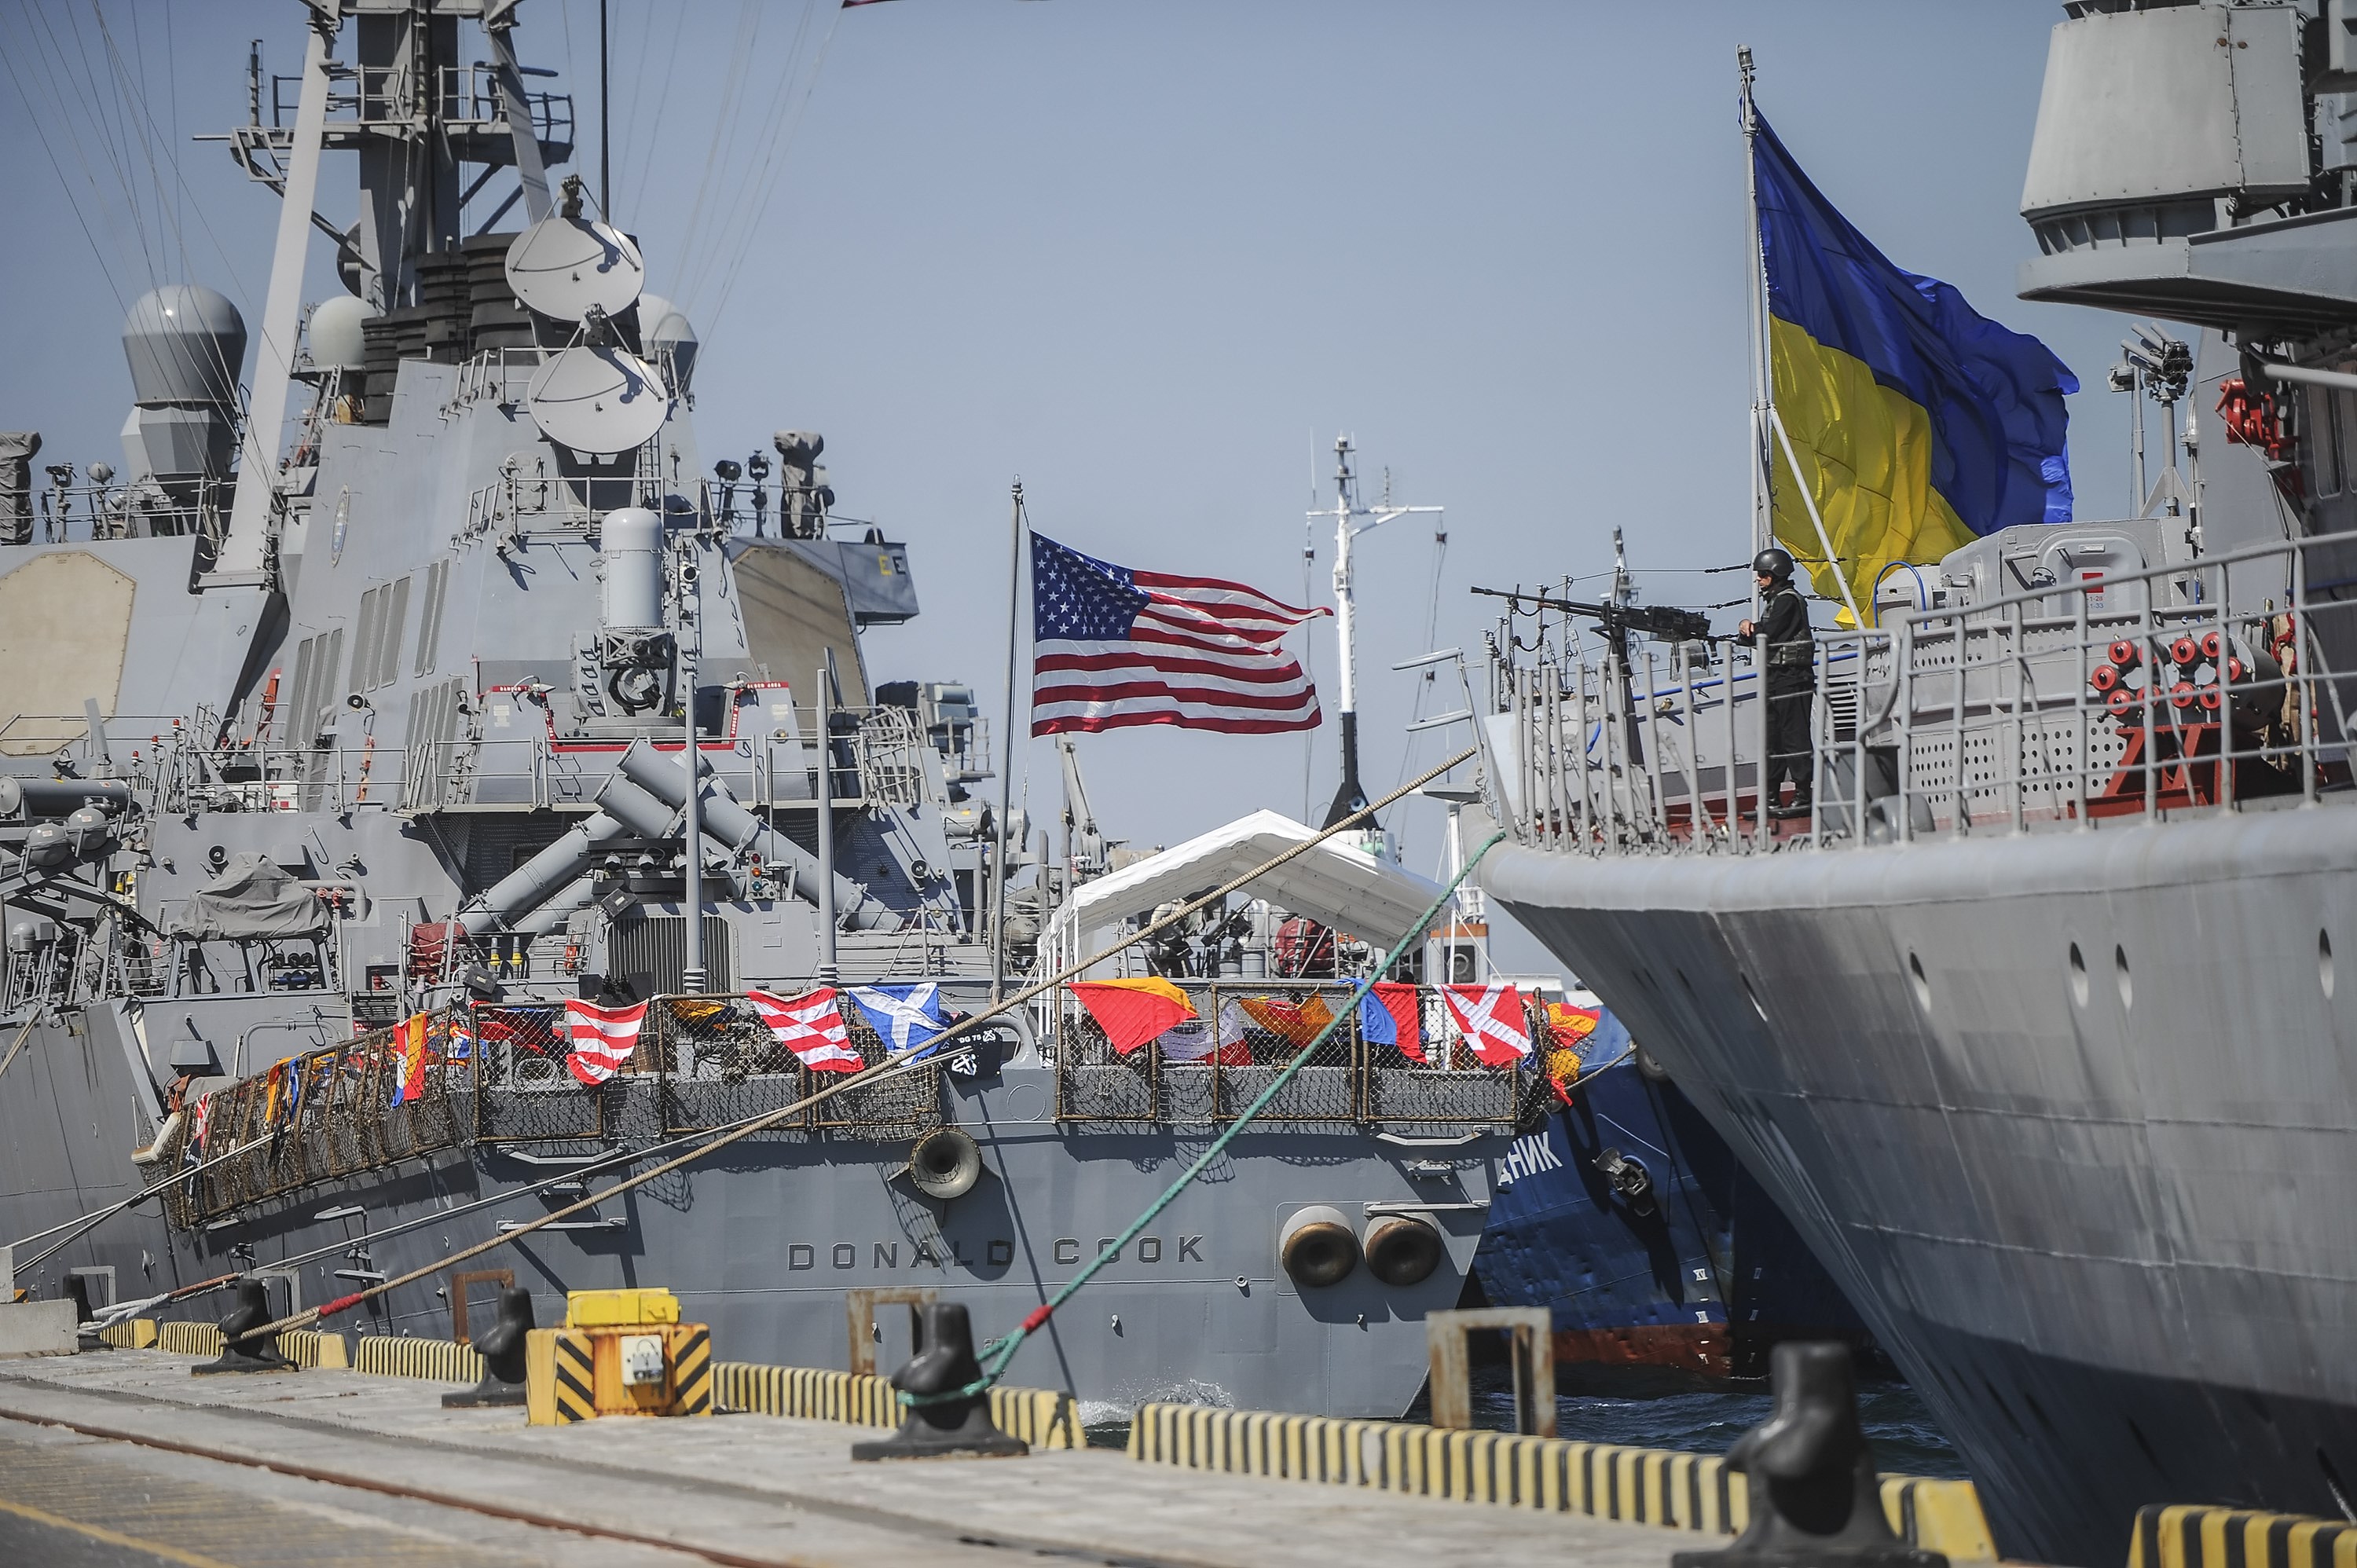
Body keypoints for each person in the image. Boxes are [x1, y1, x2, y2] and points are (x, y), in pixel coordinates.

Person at [1738, 547, 1816, 819]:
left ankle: (1803, 795)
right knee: (1773, 740)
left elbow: (1770, 633)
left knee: (1794, 737)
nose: (1758, 579)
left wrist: (1748, 627)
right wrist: (1747, 630)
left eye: (1763, 575)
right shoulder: (1776, 601)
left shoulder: (1787, 601)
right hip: (1776, 678)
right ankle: (1771, 797)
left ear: (1775, 574)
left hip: (1793, 678)